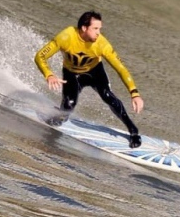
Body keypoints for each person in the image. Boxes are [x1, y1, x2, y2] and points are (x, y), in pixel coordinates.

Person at [34, 10, 144, 147]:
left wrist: (134, 93)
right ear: (84, 28)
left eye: (100, 29)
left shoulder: (102, 44)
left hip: (95, 72)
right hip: (72, 74)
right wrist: (49, 75)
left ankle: (133, 130)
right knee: (68, 106)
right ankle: (61, 115)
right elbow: (40, 56)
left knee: (108, 96)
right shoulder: (66, 37)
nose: (99, 33)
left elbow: (121, 68)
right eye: (95, 28)